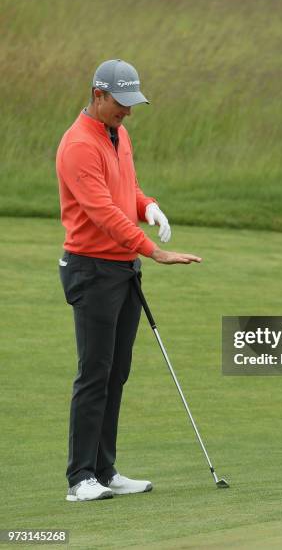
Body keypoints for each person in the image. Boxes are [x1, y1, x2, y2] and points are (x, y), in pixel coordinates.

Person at [57, 59, 201, 501]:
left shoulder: (118, 133)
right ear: (98, 96)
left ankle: (105, 468)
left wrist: (148, 205)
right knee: (94, 372)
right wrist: (153, 250)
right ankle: (81, 477)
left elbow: (126, 189)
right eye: (121, 104)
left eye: (132, 104)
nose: (128, 112)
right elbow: (101, 211)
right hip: (93, 268)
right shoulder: (79, 144)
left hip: (122, 270)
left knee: (116, 372)